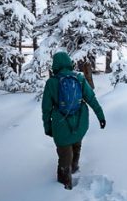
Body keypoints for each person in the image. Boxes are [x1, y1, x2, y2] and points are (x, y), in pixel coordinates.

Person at [41, 51, 106, 189]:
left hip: (61, 126)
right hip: (80, 123)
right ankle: (74, 167)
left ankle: (64, 185)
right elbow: (91, 99)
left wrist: (48, 127)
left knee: (64, 155)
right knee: (77, 146)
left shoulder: (51, 83)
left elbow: (46, 109)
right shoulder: (80, 78)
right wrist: (101, 116)